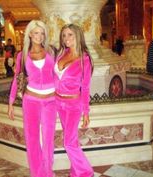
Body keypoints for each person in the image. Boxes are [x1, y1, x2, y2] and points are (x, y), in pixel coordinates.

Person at [8, 20, 56, 177]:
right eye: (36, 32)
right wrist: (11, 102)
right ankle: (37, 173)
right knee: (32, 138)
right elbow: (17, 79)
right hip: (31, 101)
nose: (39, 36)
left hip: (50, 101)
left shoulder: (51, 52)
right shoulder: (22, 56)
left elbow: (60, 75)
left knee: (48, 139)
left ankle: (47, 172)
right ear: (29, 34)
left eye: (42, 33)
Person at [54, 24, 94, 177]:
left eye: (70, 35)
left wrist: (86, 112)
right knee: (72, 140)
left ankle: (85, 173)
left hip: (73, 105)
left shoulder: (84, 59)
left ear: (77, 36)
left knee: (68, 142)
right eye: (64, 35)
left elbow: (85, 87)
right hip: (58, 102)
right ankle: (75, 172)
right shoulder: (61, 54)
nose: (66, 38)